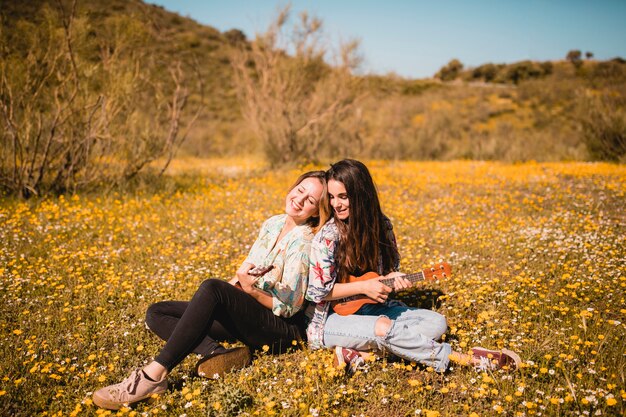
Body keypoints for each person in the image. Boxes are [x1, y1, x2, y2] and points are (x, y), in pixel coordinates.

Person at [93, 170, 328, 410]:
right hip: (249, 314)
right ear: (293, 187)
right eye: (300, 190)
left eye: (310, 200)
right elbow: (245, 272)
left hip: (282, 330)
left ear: (316, 212)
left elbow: (289, 308)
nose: (300, 199)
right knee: (157, 312)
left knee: (213, 288)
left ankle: (153, 376)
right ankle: (218, 354)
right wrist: (228, 295)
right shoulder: (273, 223)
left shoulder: (304, 241)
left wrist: (249, 291)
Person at [306, 159, 521, 375]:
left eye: (343, 197)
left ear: (361, 194)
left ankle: (360, 353)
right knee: (384, 328)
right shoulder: (328, 237)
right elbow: (319, 292)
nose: (336, 204)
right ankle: (466, 360)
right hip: (332, 320)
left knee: (436, 323)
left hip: (372, 308)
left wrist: (393, 279)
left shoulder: (382, 226)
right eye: (332, 197)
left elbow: (387, 273)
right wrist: (364, 287)